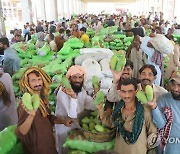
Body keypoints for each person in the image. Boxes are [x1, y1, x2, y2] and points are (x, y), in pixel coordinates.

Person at [15, 67, 72, 154]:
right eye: (33, 80)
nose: (37, 83)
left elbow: (48, 118)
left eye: (39, 79)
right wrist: (31, 115)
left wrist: (63, 121)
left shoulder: (42, 100)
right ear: (27, 83)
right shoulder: (26, 105)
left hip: (49, 147)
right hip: (37, 150)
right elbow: (21, 133)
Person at [55, 65, 96, 154]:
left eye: (80, 77)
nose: (77, 80)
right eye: (74, 77)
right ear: (69, 79)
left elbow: (92, 105)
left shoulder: (81, 90)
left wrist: (96, 92)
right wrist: (73, 97)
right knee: (65, 149)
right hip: (65, 126)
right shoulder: (62, 92)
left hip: (77, 125)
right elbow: (72, 114)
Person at [112, 78, 157, 154]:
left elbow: (153, 134)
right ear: (120, 92)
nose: (126, 95)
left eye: (130, 91)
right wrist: (100, 109)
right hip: (119, 150)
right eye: (124, 91)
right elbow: (110, 124)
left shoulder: (144, 111)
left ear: (136, 92)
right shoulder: (118, 110)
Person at [148, 71, 180, 154]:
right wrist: (154, 107)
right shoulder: (164, 99)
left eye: (179, 85)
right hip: (169, 147)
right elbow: (160, 124)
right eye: (173, 84)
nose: (175, 89)